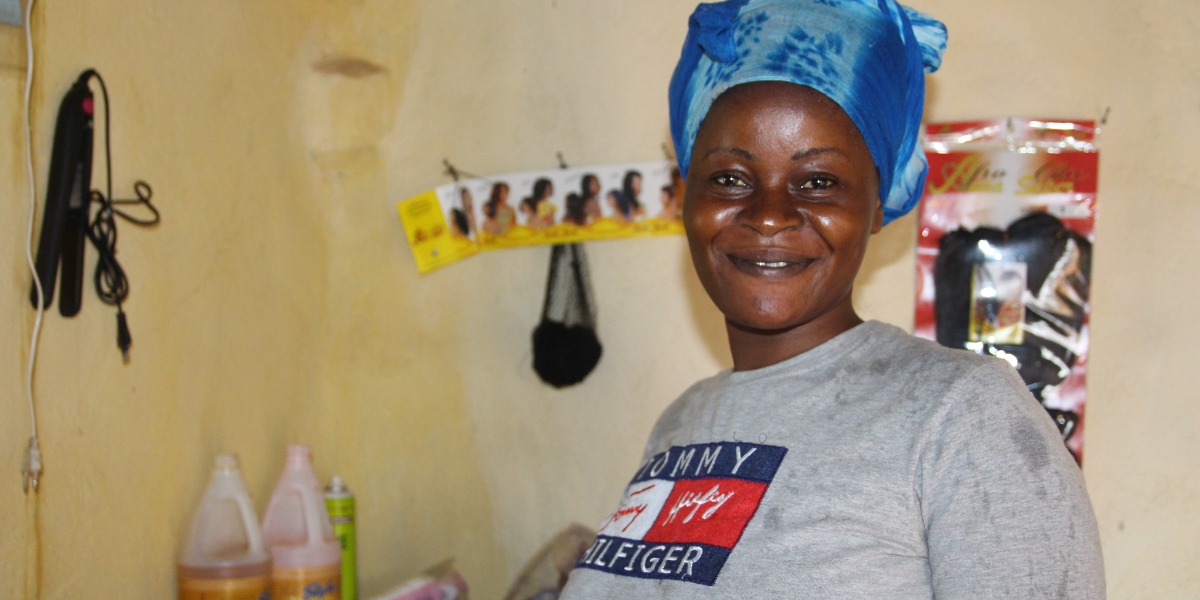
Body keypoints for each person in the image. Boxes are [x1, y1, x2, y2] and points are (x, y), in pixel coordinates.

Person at [559, 1, 1104, 599]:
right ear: (688, 197)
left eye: (818, 182)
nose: (769, 215)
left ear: (878, 204)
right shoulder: (682, 422)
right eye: (730, 178)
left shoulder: (965, 416)